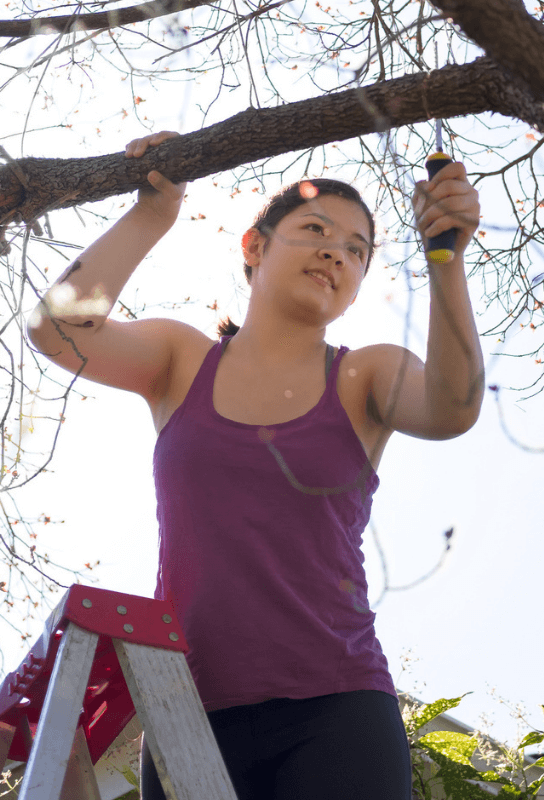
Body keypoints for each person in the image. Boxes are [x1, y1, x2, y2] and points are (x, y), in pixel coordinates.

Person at [27, 130, 484, 800]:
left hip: (339, 706)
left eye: (356, 250)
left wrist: (446, 261)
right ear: (255, 246)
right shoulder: (180, 361)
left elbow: (452, 408)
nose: (336, 250)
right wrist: (151, 213)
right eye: (315, 229)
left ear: (356, 286)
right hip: (188, 711)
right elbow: (58, 330)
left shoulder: (366, 374)